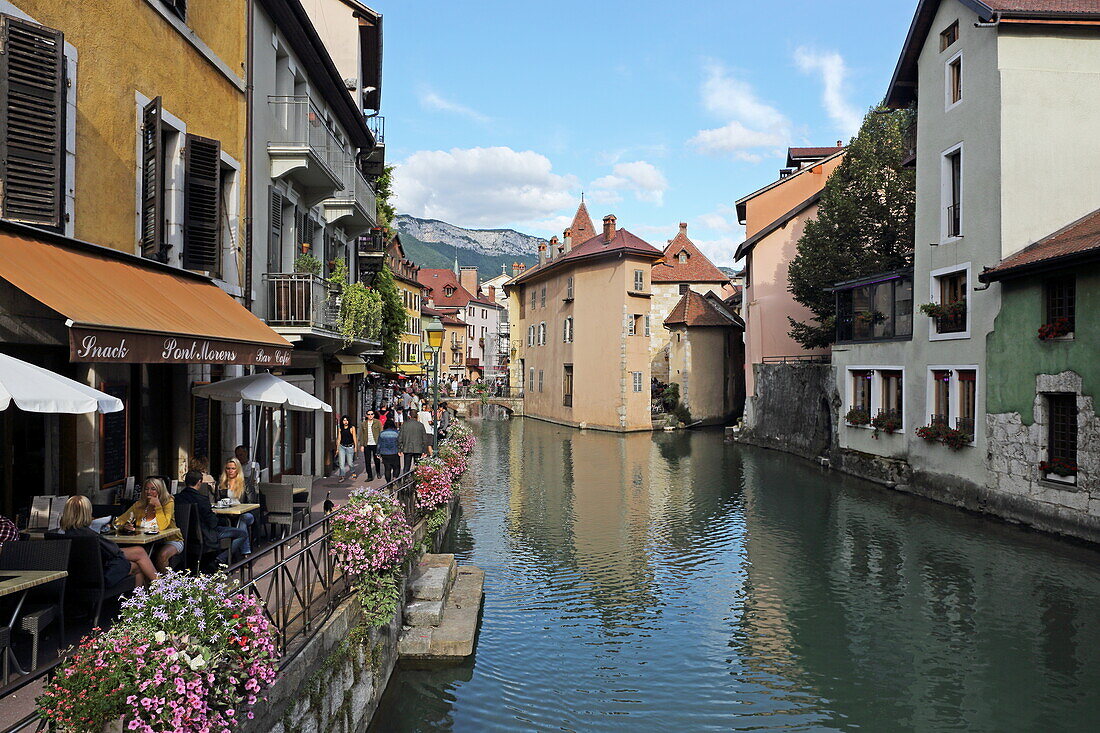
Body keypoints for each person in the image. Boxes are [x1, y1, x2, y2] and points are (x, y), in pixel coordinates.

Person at [59, 495, 157, 587]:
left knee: (137, 553)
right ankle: (154, 592)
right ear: (87, 512)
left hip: (73, 578)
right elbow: (113, 551)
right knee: (137, 563)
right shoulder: (90, 536)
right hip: (99, 577)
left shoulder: (61, 534)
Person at [176, 470, 250, 566]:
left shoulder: (177, 498)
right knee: (242, 534)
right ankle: (220, 559)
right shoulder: (202, 500)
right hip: (206, 535)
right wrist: (216, 516)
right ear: (199, 482)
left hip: (186, 536)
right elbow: (213, 523)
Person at [116, 477, 180, 572]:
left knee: (161, 556)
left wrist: (158, 506)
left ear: (160, 490)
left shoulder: (168, 502)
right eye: (146, 489)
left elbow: (163, 526)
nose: (148, 492)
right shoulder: (139, 504)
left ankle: (167, 584)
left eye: (153, 489)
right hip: (145, 542)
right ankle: (146, 585)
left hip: (170, 540)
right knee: (139, 558)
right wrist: (124, 526)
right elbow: (118, 521)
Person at [218, 458, 253, 555]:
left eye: (233, 468)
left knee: (243, 519)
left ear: (238, 469)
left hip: (247, 513)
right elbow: (217, 500)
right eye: (228, 468)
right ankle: (240, 552)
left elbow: (252, 502)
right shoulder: (222, 483)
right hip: (228, 514)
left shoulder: (245, 483)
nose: (230, 471)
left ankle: (244, 551)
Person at [398, 409, 430, 473]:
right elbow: (424, 439)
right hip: (418, 448)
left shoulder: (404, 425)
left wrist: (399, 449)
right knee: (417, 466)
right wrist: (425, 450)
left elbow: (400, 438)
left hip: (407, 448)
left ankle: (405, 480)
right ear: (417, 416)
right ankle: (415, 480)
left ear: (409, 416)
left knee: (406, 466)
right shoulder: (420, 425)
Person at [359, 409, 382, 481]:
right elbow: (361, 435)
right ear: (366, 415)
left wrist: (381, 444)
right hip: (367, 444)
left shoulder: (378, 422)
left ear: (374, 415)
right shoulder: (363, 424)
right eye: (369, 414)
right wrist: (362, 445)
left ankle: (378, 472)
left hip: (375, 443)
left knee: (377, 459)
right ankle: (370, 476)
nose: (370, 415)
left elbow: (381, 433)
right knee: (367, 460)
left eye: (372, 414)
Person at [334, 415, 358, 482]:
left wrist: (356, 447)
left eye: (346, 420)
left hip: (350, 446)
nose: (345, 422)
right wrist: (337, 448)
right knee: (341, 463)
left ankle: (353, 472)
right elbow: (339, 438)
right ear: (342, 421)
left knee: (350, 462)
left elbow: (354, 438)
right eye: (344, 420)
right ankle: (342, 476)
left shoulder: (352, 428)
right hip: (342, 446)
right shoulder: (340, 428)